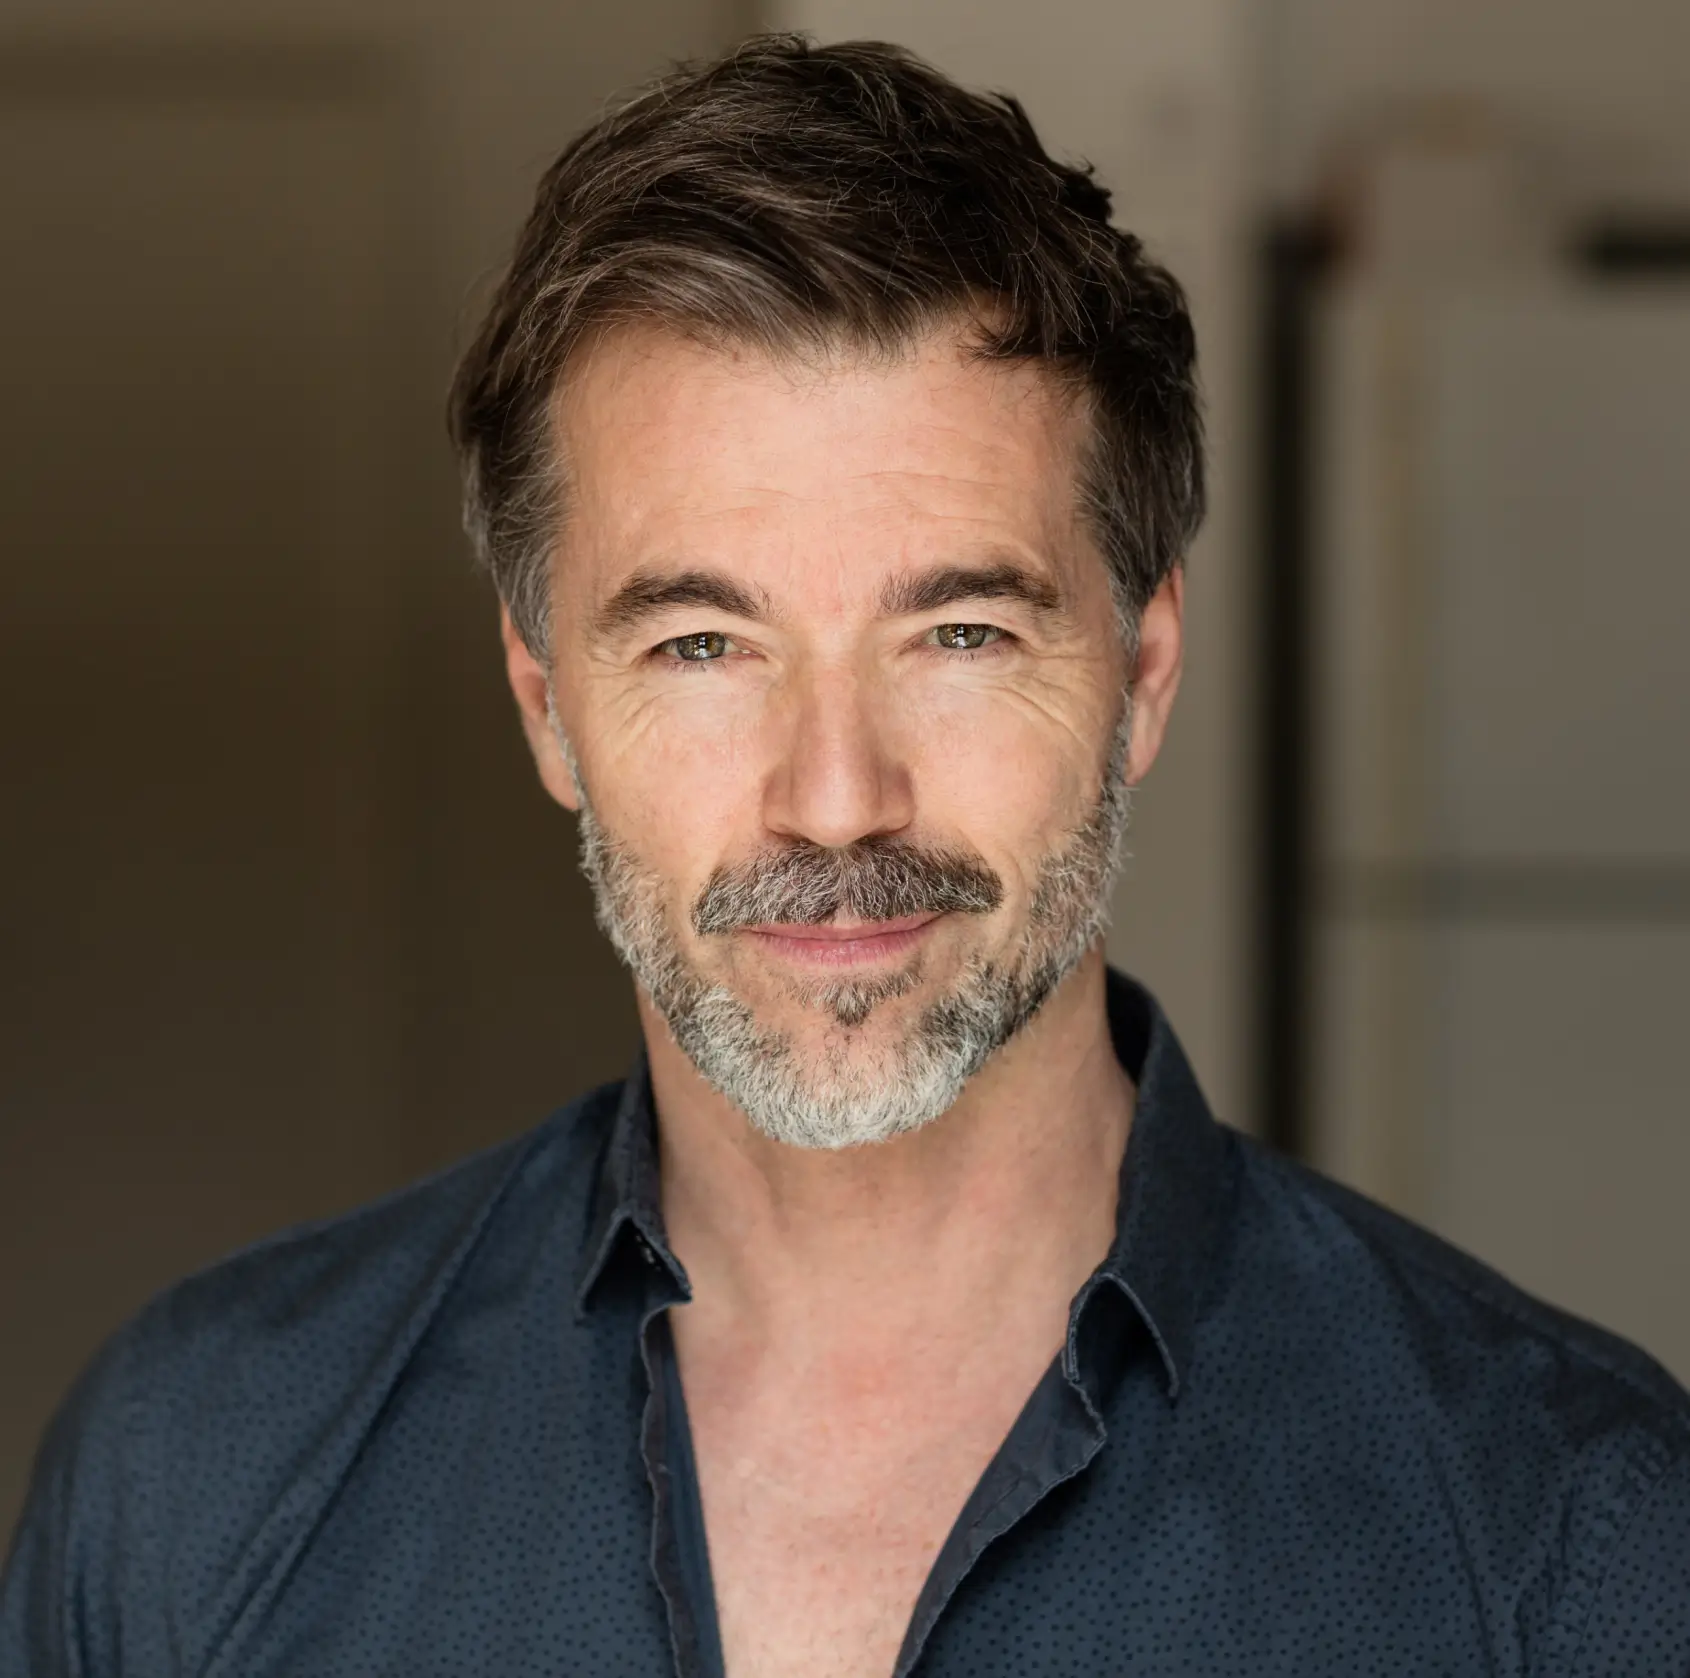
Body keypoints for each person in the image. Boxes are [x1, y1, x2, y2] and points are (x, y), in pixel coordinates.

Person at [4, 32, 1688, 1678]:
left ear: (1141, 673)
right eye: (699, 646)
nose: (834, 797)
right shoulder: (190, 1486)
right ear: (545, 709)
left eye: (956, 632)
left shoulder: (1577, 1530)